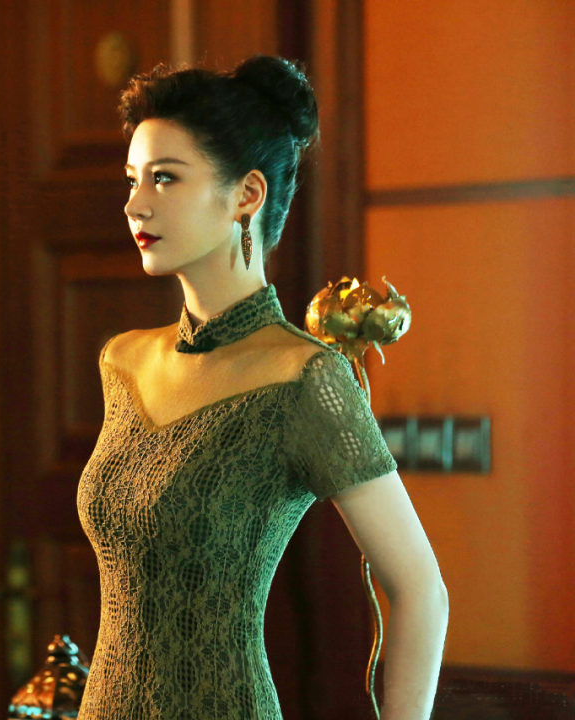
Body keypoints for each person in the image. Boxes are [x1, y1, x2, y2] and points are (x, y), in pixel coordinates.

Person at [75, 57, 448, 719]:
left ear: (248, 194)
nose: (135, 203)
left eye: (165, 177)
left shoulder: (305, 378)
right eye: (133, 179)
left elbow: (421, 589)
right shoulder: (122, 362)